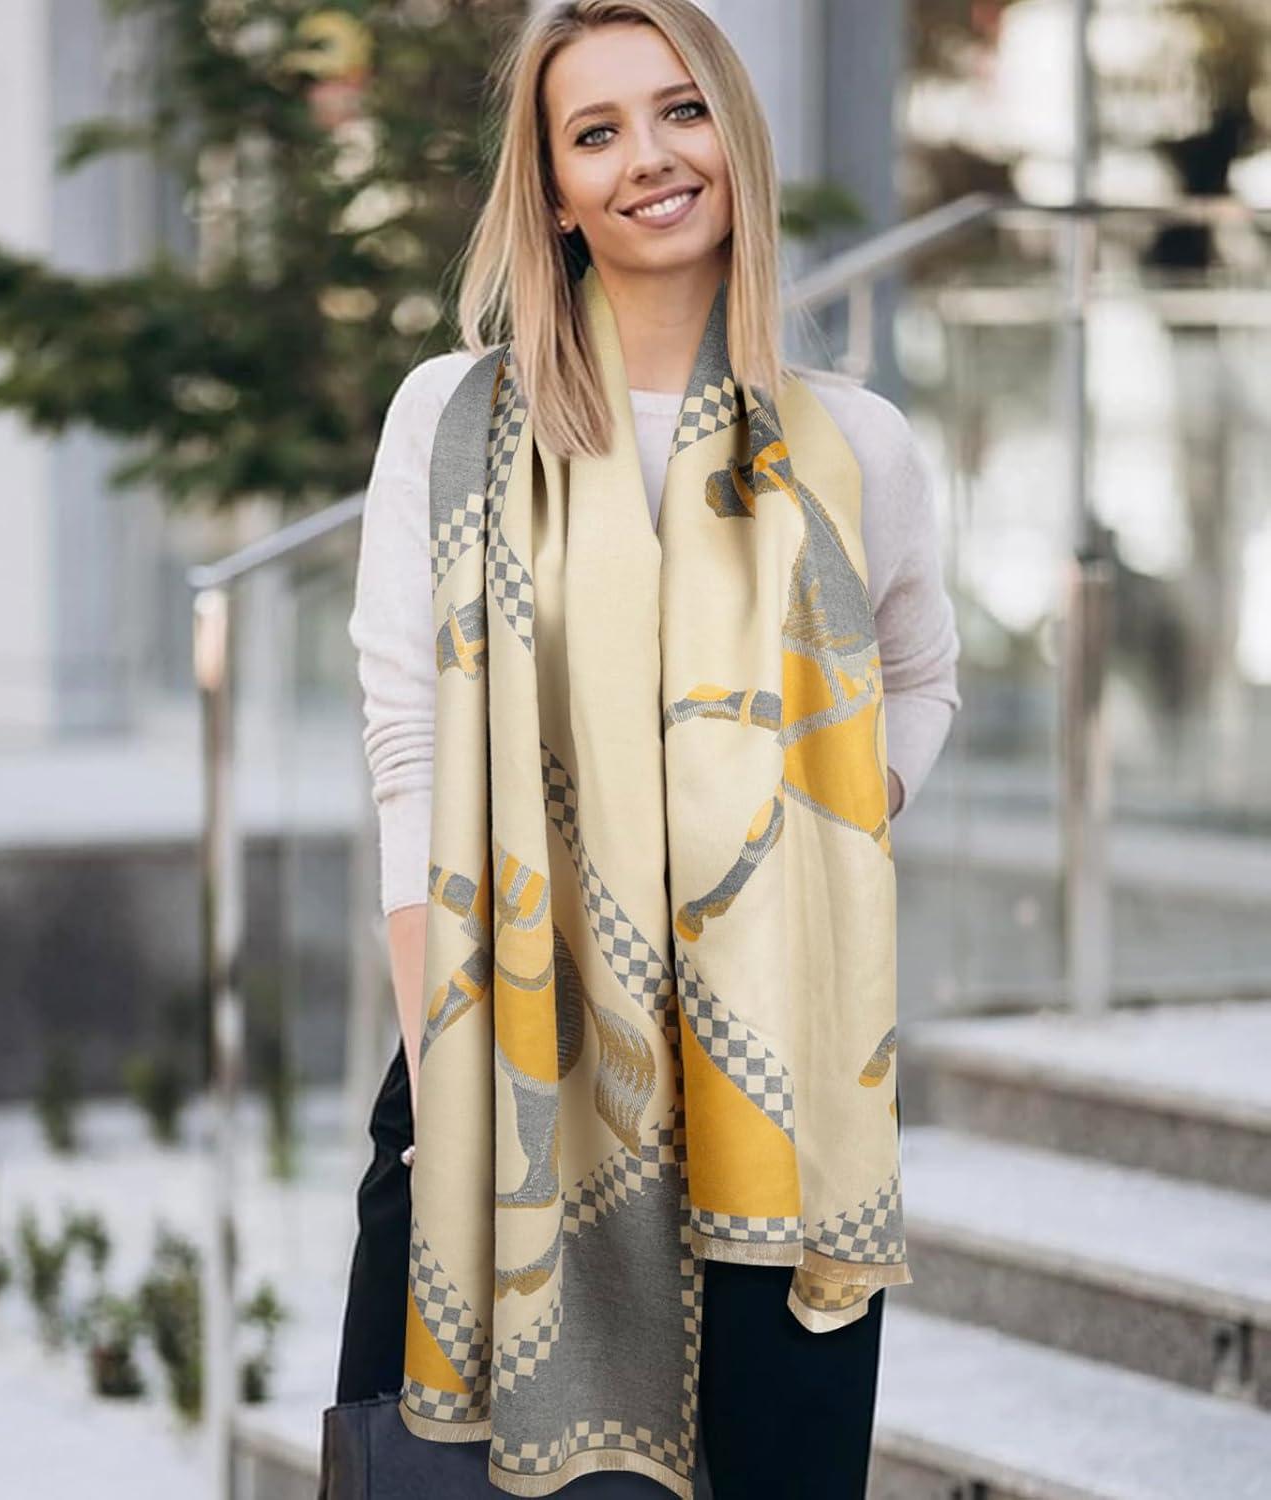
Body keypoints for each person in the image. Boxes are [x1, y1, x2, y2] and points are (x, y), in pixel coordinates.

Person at [337, 2, 961, 1496]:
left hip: (779, 1083)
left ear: (734, 140)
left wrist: (818, 828)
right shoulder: (452, 419)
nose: (648, 158)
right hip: (507, 1059)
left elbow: (922, 676)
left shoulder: (853, 440)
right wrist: (448, 1072)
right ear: (554, 190)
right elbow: (409, 745)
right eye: (596, 132)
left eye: (681, 112)